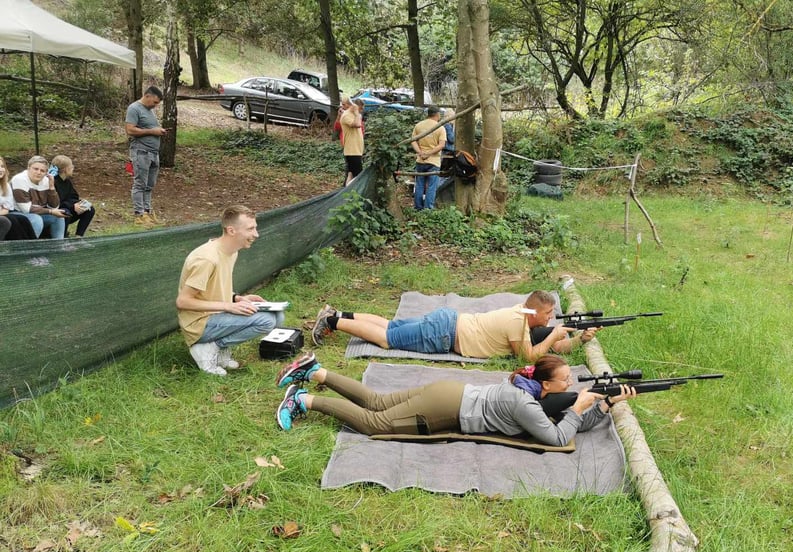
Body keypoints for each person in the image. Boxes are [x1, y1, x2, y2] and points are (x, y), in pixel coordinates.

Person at [274, 352, 636, 442]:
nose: (571, 383)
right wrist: (580, 408)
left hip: (449, 391)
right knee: (375, 424)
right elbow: (557, 436)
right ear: (546, 385)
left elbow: (567, 421)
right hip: (447, 408)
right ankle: (304, 400)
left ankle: (316, 371)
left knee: (378, 402)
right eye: (565, 379)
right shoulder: (523, 403)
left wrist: (604, 404)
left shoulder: (525, 387)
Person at [310, 290, 598, 363]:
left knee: (391, 324)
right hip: (444, 333)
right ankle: (332, 321)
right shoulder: (517, 323)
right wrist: (555, 334)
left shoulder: (521, 312)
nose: (550, 318)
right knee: (387, 338)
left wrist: (579, 340)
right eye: (547, 314)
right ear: (533, 310)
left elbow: (551, 346)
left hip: (447, 322)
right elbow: (529, 357)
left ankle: (338, 313)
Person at [175, 204, 282, 376]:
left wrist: (236, 298)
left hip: (217, 314)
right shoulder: (207, 259)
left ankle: (218, 349)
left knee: (277, 316)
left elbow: (211, 289)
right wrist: (228, 306)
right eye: (250, 229)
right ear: (231, 230)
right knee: (266, 321)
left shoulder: (232, 252)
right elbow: (183, 301)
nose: (256, 234)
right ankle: (209, 348)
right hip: (198, 323)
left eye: (255, 228)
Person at [125, 85, 167, 226]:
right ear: (147, 96)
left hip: (153, 153)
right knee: (140, 184)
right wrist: (152, 132)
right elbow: (130, 130)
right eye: (154, 102)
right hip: (141, 152)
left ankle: (147, 212)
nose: (155, 106)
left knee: (149, 185)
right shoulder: (134, 108)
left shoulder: (150, 110)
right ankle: (139, 214)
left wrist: (158, 131)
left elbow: (149, 127)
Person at [10, 155, 66, 239]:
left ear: (46, 173)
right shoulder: (19, 179)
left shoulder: (46, 180)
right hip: (15, 213)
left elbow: (54, 206)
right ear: (28, 168)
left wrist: (51, 187)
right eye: (35, 169)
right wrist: (51, 211)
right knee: (36, 219)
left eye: (42, 171)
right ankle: (32, 246)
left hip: (35, 213)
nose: (39, 172)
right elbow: (26, 209)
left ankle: (59, 244)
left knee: (59, 217)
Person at [411, 105, 446, 210]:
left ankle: (418, 207)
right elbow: (441, 145)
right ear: (437, 114)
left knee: (419, 184)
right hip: (434, 162)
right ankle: (428, 209)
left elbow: (413, 141)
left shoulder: (418, 125)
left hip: (420, 160)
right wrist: (429, 154)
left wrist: (420, 153)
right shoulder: (440, 127)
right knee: (431, 186)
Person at [51, 155, 95, 238]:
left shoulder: (67, 181)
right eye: (71, 166)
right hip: (57, 211)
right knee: (65, 212)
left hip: (70, 208)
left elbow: (74, 196)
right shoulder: (53, 181)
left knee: (89, 209)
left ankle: (79, 236)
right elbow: (57, 203)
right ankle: (62, 237)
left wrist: (79, 204)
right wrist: (72, 206)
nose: (73, 168)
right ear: (65, 169)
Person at [0, 156, 40, 241]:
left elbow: (6, 209)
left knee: (23, 219)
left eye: (2, 166)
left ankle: (33, 245)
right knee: (9, 221)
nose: (1, 169)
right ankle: (19, 247)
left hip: (1, 213)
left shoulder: (5, 186)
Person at [341, 98, 365, 186]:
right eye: (360, 108)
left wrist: (357, 113)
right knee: (358, 177)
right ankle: (352, 192)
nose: (361, 111)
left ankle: (345, 191)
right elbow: (358, 125)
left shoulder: (354, 115)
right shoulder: (346, 115)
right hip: (352, 151)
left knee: (351, 174)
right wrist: (357, 113)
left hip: (356, 150)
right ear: (355, 106)